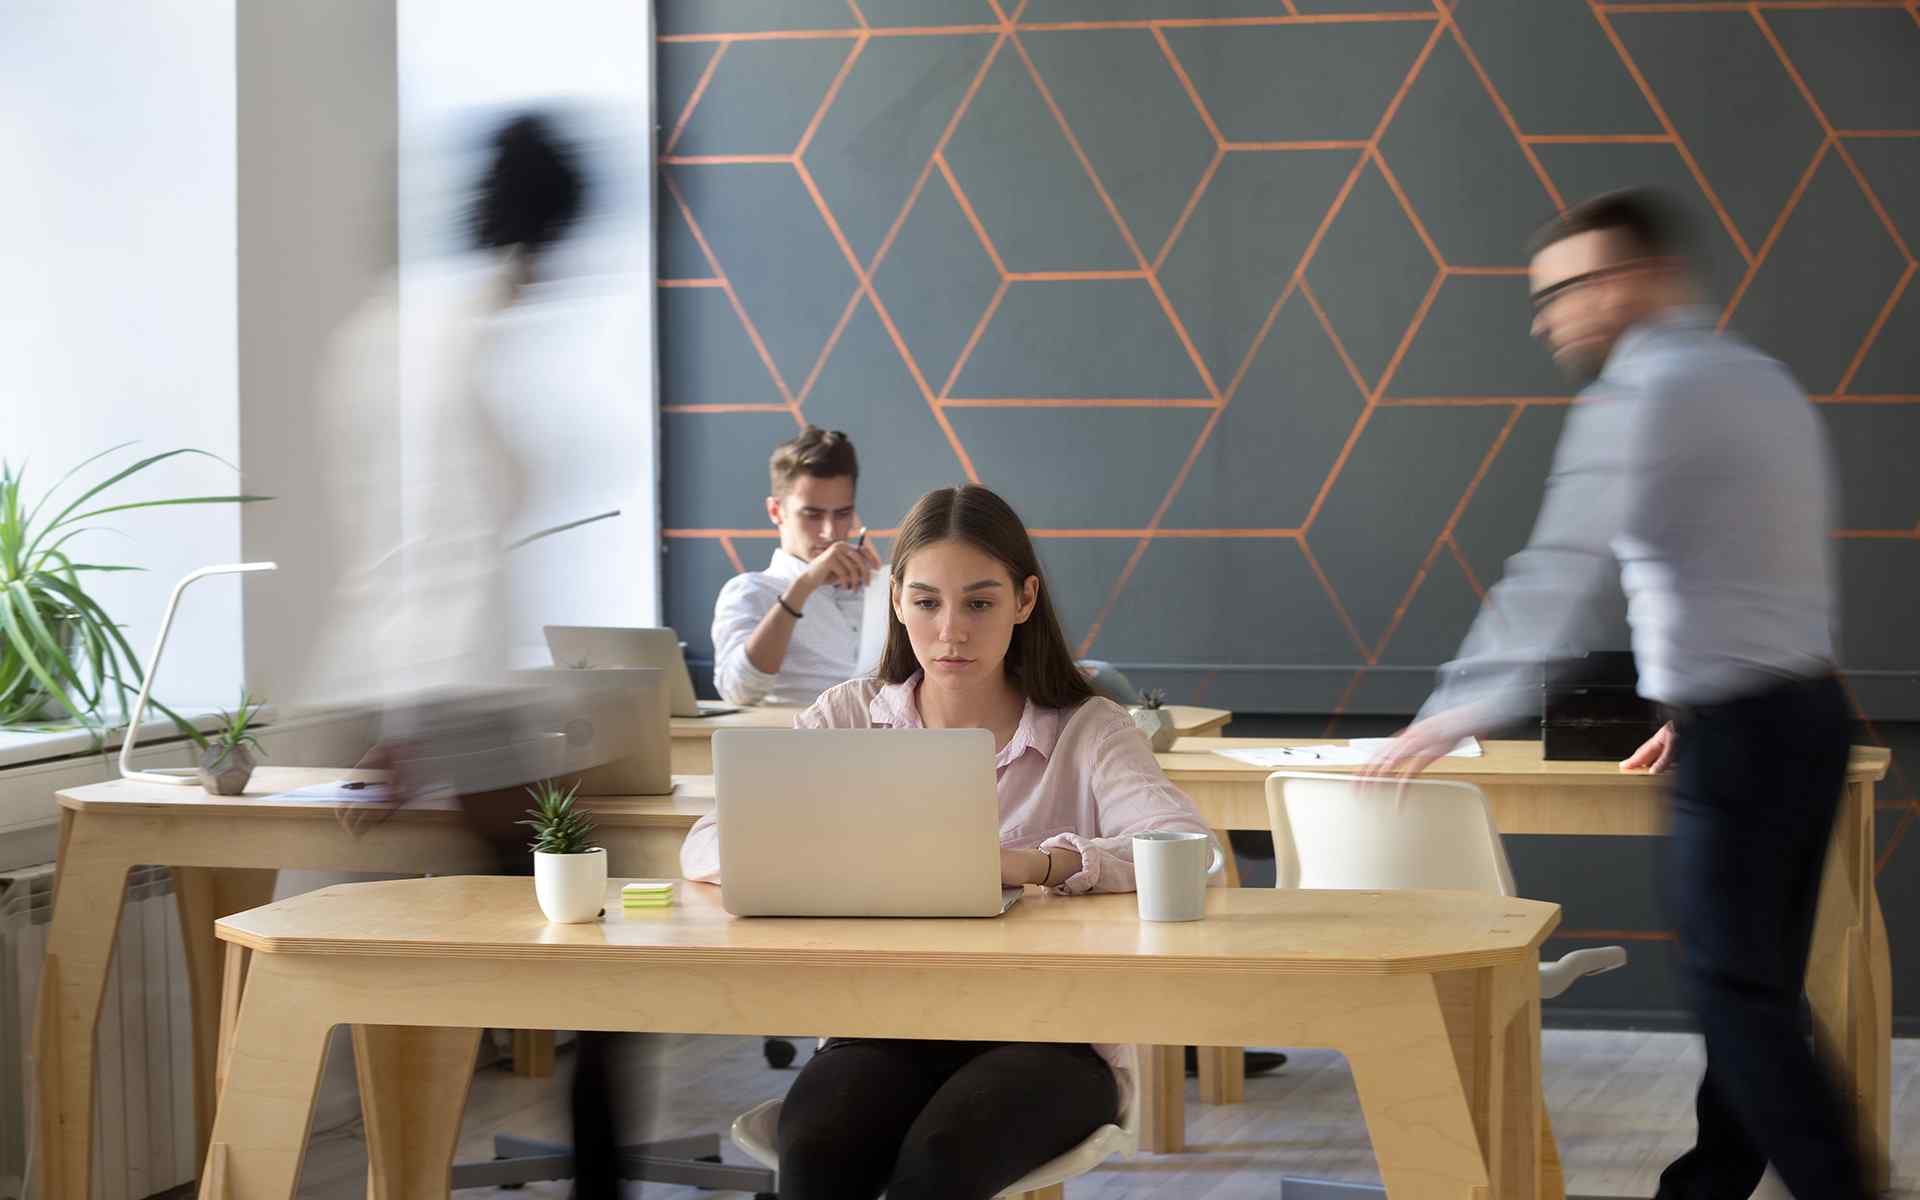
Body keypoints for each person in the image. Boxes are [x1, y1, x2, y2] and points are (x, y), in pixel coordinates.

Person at [1372, 190, 1865, 1199]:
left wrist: (1457, 707)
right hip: (1803, 717)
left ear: (1641, 278)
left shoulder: (1644, 394)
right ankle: (1709, 1184)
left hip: (1743, 736)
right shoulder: (1760, 381)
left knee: (1738, 996)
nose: (1554, 315)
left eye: (1575, 288)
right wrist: (1692, 703)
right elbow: (1752, 564)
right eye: (1546, 296)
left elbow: (1561, 566)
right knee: (1759, 990)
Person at [681, 484, 1217, 1200]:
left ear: (1024, 601)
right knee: (815, 1151)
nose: (952, 630)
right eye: (928, 601)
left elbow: (1186, 846)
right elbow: (706, 843)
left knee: (939, 1162)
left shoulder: (1089, 728)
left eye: (980, 602)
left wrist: (1037, 863)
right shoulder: (849, 716)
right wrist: (833, 851)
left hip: (1049, 1036)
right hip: (882, 1023)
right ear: (897, 598)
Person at [710, 427, 882, 706]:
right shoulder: (750, 592)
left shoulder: (877, 591)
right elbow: (739, 691)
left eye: (842, 514)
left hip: (882, 743)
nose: (830, 531)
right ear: (776, 511)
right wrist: (804, 586)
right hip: (793, 744)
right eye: (812, 515)